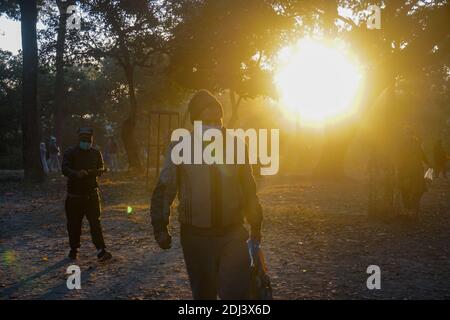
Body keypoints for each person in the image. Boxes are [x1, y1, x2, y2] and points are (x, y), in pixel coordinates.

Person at [150, 89, 263, 299]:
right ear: (195, 122)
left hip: (233, 233)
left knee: (236, 293)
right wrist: (160, 226)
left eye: (217, 119)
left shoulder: (236, 145)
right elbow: (165, 188)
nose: (213, 125)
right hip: (195, 237)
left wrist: (256, 224)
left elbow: (248, 187)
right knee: (203, 294)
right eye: (207, 120)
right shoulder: (180, 147)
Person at [62, 127, 112, 261]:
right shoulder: (70, 152)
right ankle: (74, 249)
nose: (86, 142)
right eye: (84, 140)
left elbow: (100, 167)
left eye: (88, 140)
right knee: (73, 224)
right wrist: (76, 174)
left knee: (96, 224)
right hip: (74, 196)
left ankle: (101, 250)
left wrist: (97, 171)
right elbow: (64, 169)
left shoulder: (96, 153)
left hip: (92, 195)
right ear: (79, 140)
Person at [397, 128, 431, 218]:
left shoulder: (416, 144)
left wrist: (429, 163)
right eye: (407, 134)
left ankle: (411, 209)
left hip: (414, 170)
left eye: (409, 134)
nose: (408, 136)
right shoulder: (405, 144)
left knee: (417, 189)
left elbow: (421, 154)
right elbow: (401, 157)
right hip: (407, 170)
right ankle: (409, 209)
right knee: (406, 189)